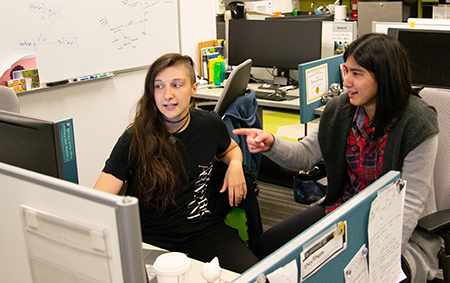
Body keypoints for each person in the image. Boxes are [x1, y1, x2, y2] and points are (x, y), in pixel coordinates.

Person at [234, 33, 441, 283]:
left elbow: (409, 204)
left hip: (395, 230)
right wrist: (271, 143)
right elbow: (305, 155)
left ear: (384, 77)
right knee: (264, 251)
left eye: (357, 73)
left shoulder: (417, 122)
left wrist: (370, 250)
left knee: (337, 274)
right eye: (346, 71)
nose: (346, 82)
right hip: (342, 209)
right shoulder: (341, 110)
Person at [94, 53, 259, 273]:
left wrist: (236, 164)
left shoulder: (209, 124)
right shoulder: (135, 138)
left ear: (193, 88)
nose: (167, 95)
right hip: (151, 239)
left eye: (177, 85)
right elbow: (99, 200)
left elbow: (230, 149)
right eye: (159, 86)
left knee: (254, 276)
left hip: (204, 230)